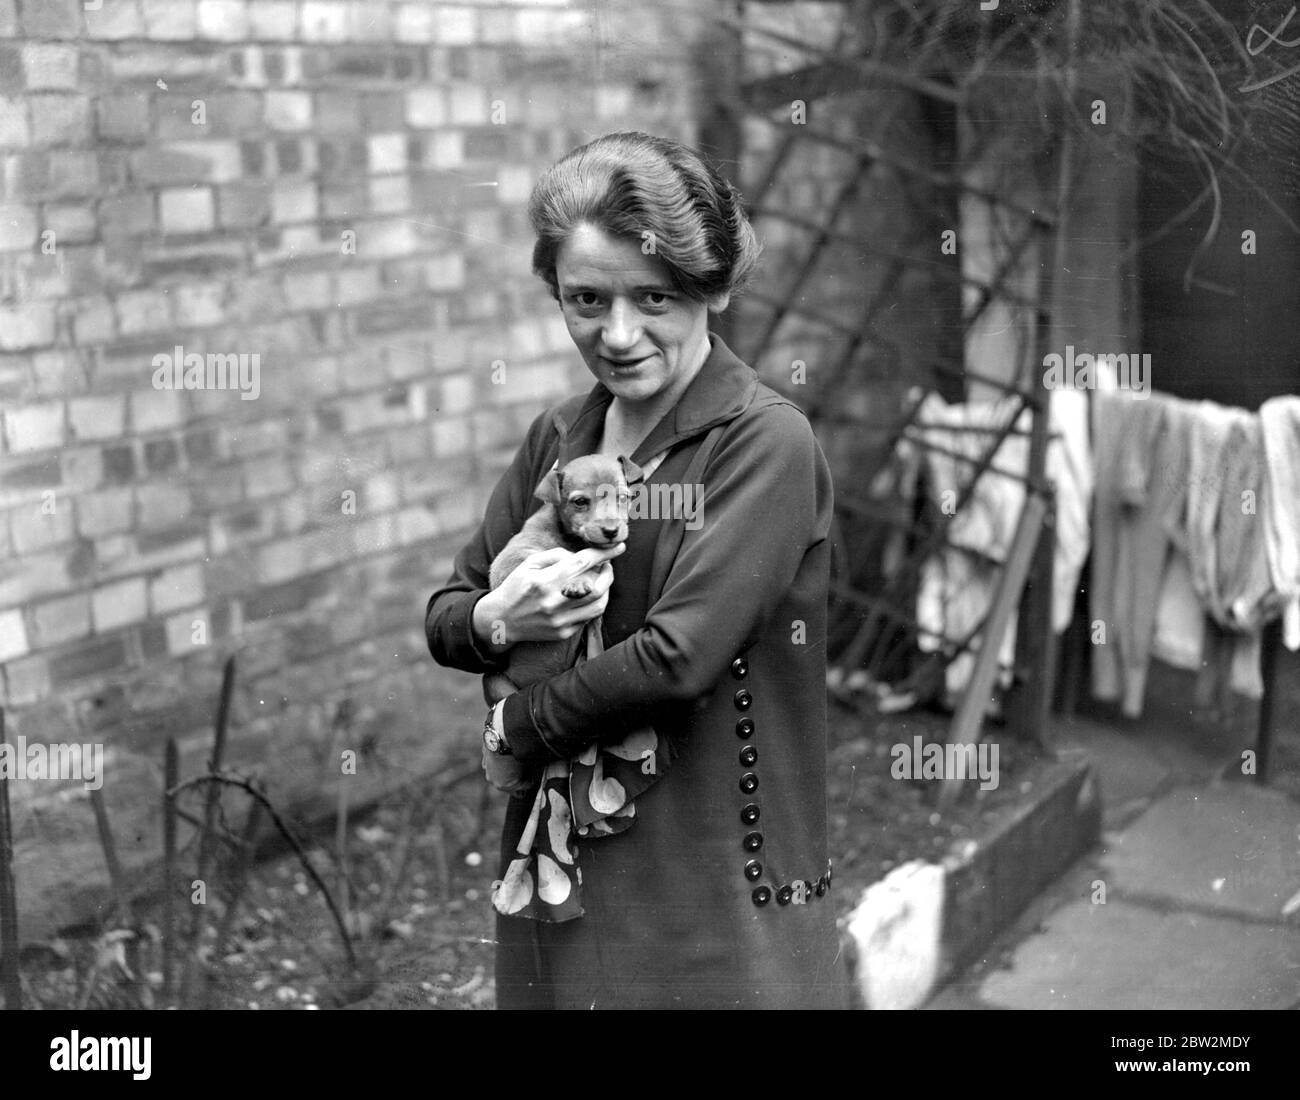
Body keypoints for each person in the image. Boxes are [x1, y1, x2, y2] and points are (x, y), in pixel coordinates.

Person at [425, 131, 848, 1009]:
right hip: (564, 871)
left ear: (714, 287)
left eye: (653, 297)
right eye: (586, 299)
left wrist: (514, 726)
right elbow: (451, 611)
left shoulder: (762, 443)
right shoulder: (560, 440)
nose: (617, 335)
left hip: (710, 883)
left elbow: (678, 658)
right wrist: (499, 622)